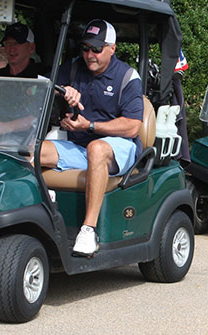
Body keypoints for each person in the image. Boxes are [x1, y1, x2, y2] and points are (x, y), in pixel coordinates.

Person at [40, 19, 144, 256]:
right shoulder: (75, 67)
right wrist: (63, 90)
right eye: (86, 48)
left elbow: (132, 127)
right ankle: (39, 212)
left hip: (119, 148)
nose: (90, 55)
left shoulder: (127, 77)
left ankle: (88, 230)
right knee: (32, 151)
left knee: (96, 148)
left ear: (112, 48)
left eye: (96, 49)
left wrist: (91, 125)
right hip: (78, 145)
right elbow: (42, 85)